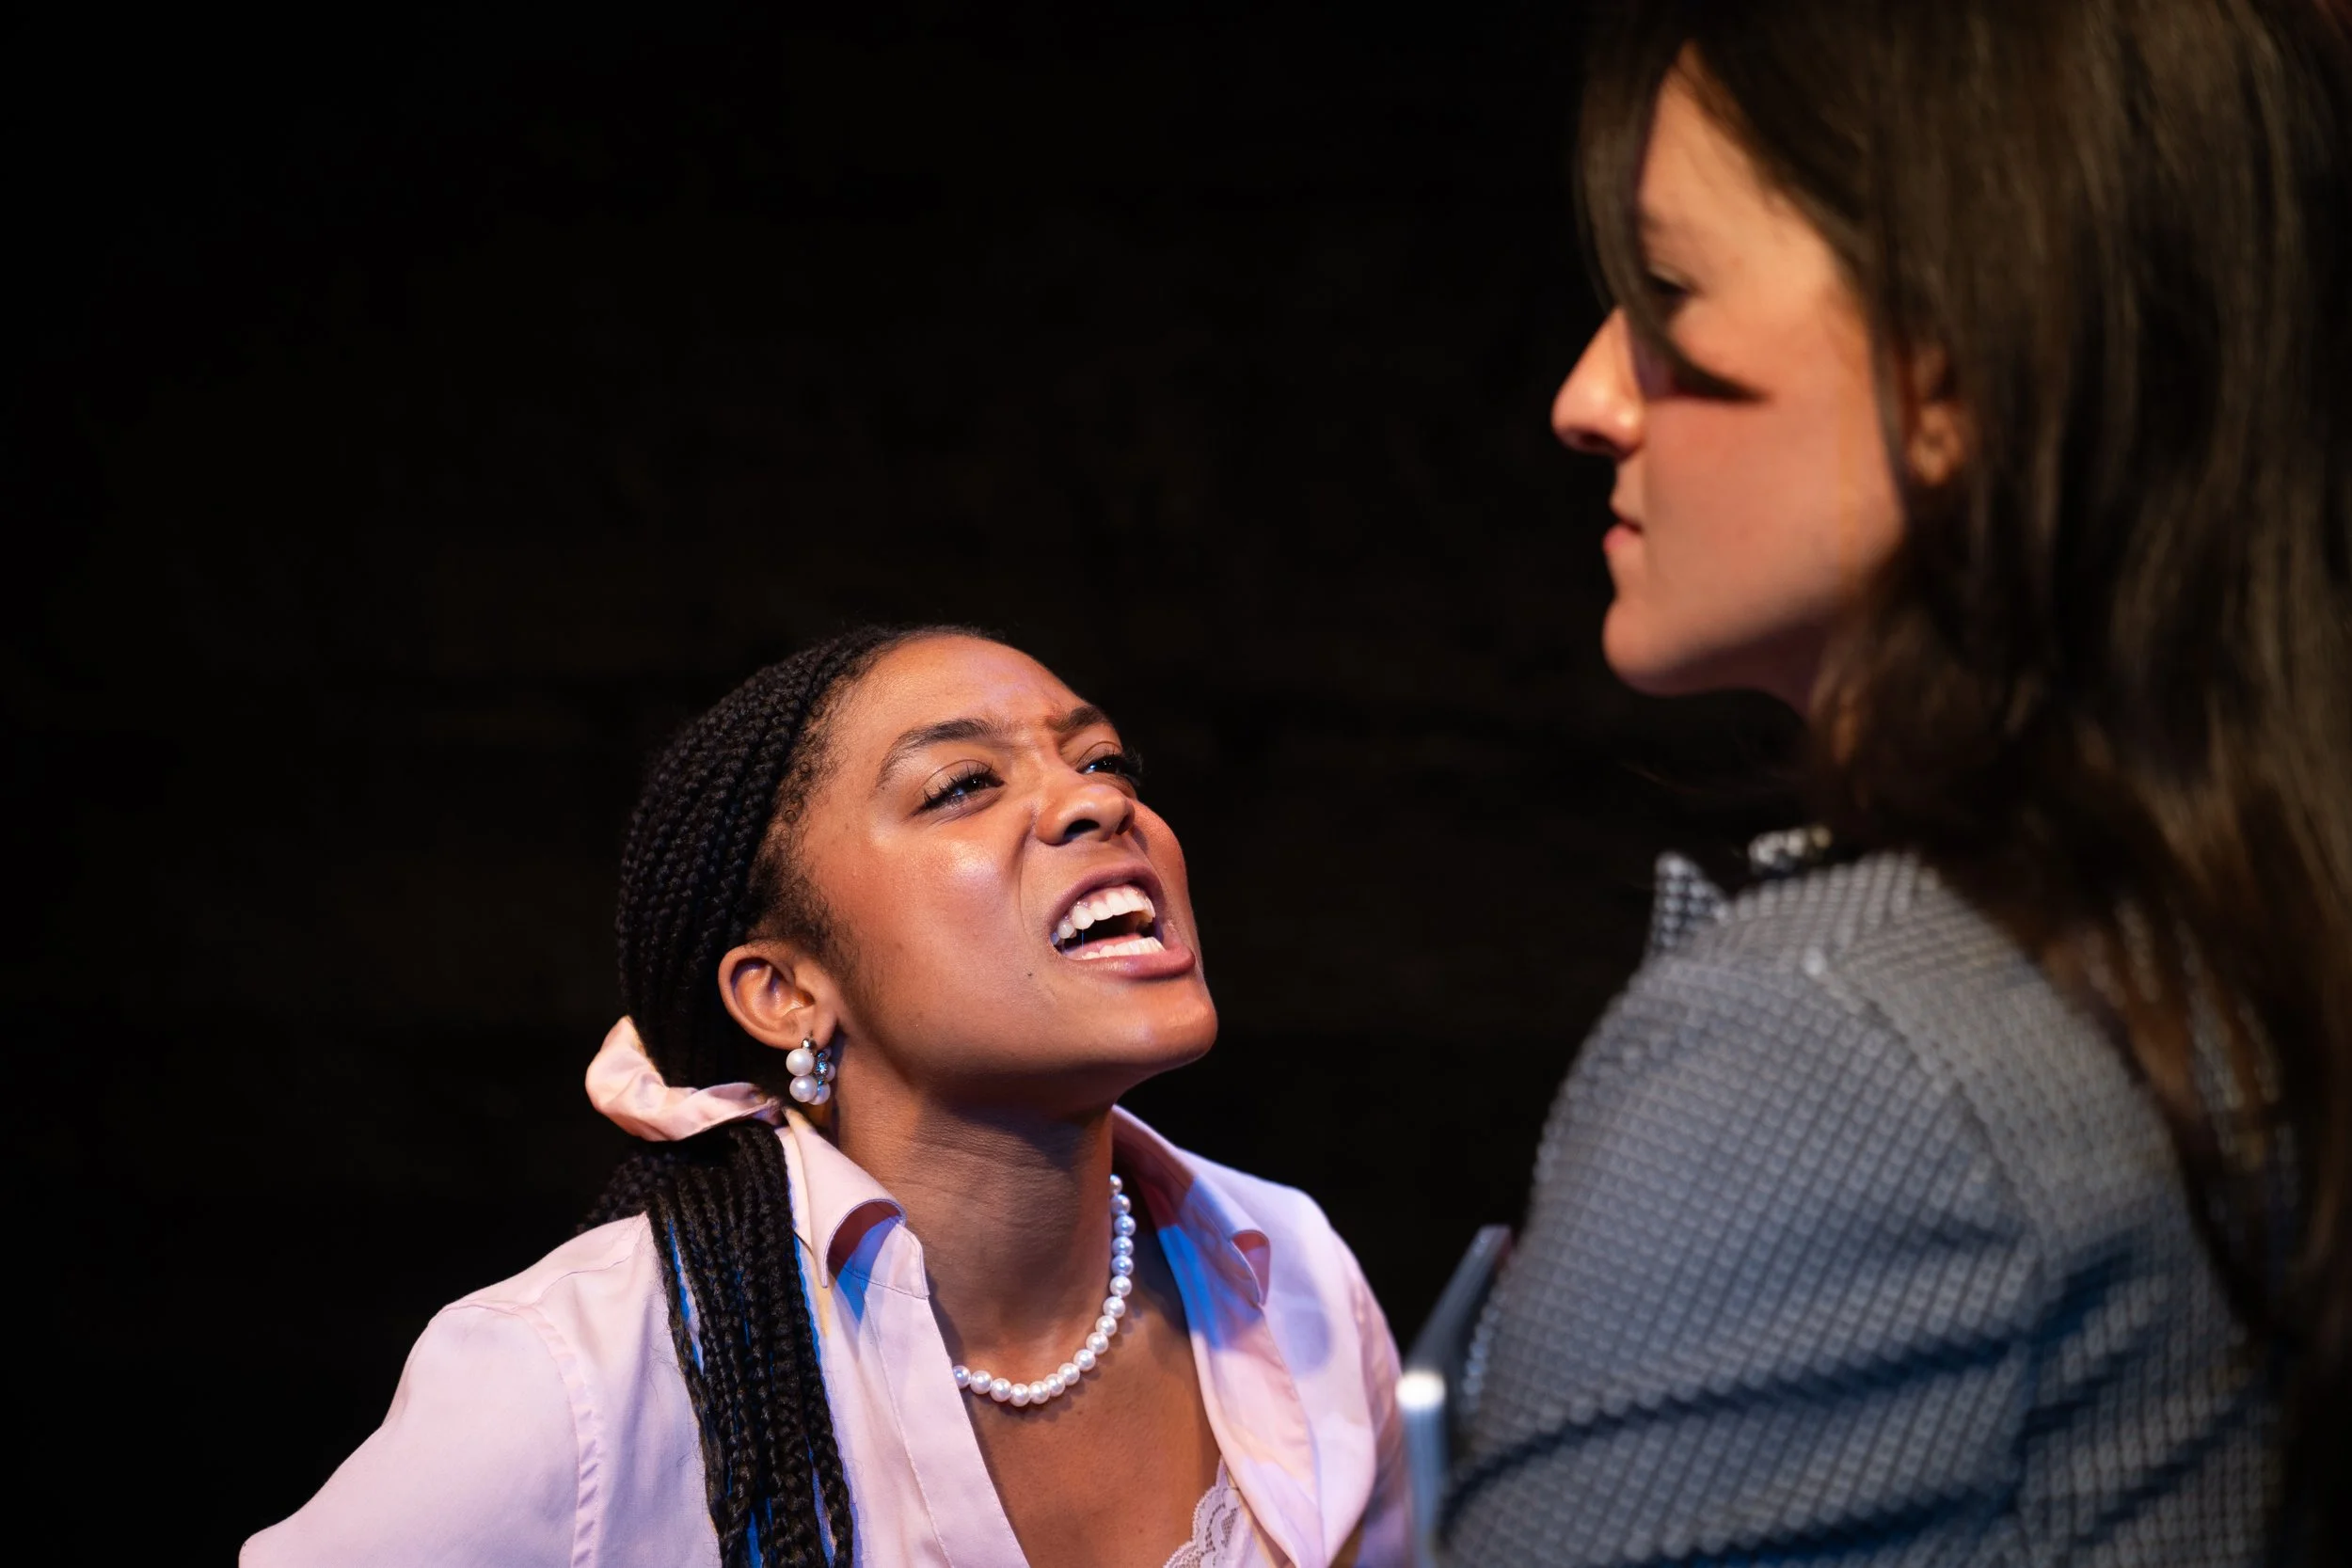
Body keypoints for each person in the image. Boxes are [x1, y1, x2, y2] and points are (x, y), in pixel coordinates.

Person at [1445, 0, 2350, 1563]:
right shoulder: (2235, 925)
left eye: (1672, 297)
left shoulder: (1832, 1049)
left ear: (1954, 382)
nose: (1591, 396)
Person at [244, 626, 1409, 1568]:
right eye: (961, 784)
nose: (1096, 802)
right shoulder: (578, 1376)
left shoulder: (1287, 1267)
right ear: (786, 989)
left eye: (1101, 759)